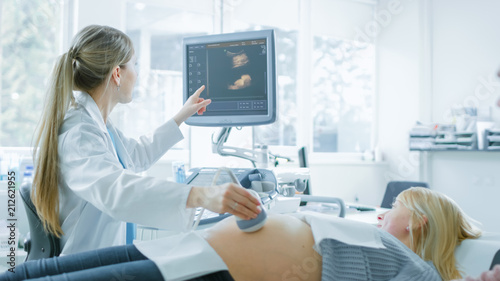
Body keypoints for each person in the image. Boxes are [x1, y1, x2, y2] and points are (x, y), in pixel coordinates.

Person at [30, 25, 261, 255]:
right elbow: (117, 191)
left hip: (105, 258)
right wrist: (201, 195)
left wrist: (182, 115)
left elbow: (136, 155)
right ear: (117, 74)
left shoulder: (97, 124)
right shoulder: (79, 134)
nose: (137, 73)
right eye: (135, 64)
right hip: (84, 262)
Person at [2, 187, 486, 281]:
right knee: (41, 270)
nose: (382, 217)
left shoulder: (417, 271)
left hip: (211, 269)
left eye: (393, 210)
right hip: (188, 247)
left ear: (420, 221)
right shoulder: (372, 236)